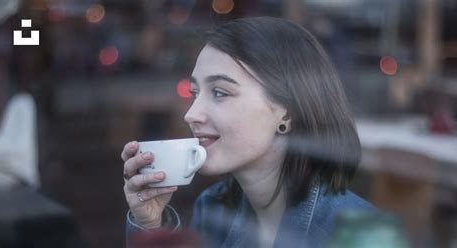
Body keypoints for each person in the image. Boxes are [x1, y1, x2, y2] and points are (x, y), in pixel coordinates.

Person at [122, 16, 376, 247]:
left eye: (220, 93)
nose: (191, 114)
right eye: (195, 93)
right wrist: (149, 226)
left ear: (287, 112)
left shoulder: (359, 235)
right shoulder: (212, 208)